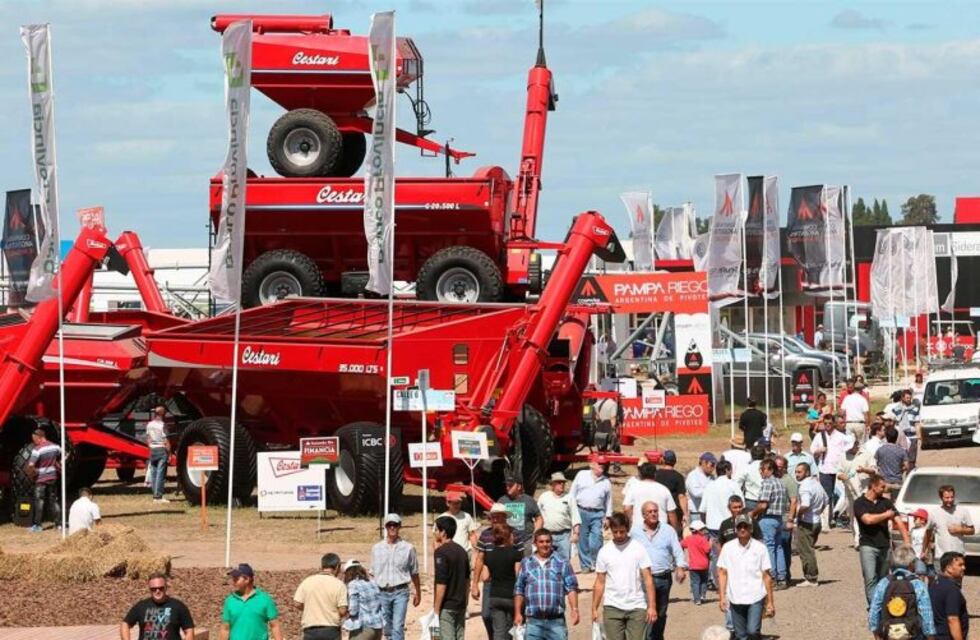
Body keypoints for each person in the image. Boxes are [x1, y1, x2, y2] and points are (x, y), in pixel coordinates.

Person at [593, 512, 656, 640]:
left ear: (627, 529)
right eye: (615, 532)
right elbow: (600, 582)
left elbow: (648, 579)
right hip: (612, 607)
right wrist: (594, 608)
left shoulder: (638, 548)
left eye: (622, 531)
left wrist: (652, 606)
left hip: (637, 607)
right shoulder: (605, 552)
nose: (619, 535)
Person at [630, 501, 687, 640]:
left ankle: (657, 637)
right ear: (643, 515)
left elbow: (677, 550)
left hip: (663, 578)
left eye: (655, 511)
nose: (653, 513)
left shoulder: (668, 530)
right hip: (643, 578)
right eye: (649, 512)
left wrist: (680, 567)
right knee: (644, 611)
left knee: (660, 613)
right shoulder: (635, 531)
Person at [514, 528, 580, 640]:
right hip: (533, 622)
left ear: (551, 542)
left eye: (548, 541)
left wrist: (574, 609)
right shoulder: (526, 563)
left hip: (556, 622)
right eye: (541, 542)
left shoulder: (562, 562)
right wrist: (517, 613)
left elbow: (571, 588)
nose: (545, 544)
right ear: (535, 543)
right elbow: (519, 589)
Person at [717, 514, 775, 640]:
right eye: (739, 527)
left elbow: (766, 576)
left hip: (756, 596)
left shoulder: (760, 548)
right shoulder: (728, 548)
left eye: (746, 526)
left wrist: (770, 601)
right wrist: (722, 597)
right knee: (741, 635)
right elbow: (722, 573)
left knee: (753, 631)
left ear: (751, 529)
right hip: (735, 598)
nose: (742, 529)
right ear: (735, 529)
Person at [854, 475, 911, 604]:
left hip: (885, 545)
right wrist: (886, 515)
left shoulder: (886, 502)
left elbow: (898, 521)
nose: (885, 489)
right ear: (873, 486)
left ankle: (883, 606)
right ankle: (874, 607)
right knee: (870, 578)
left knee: (884, 579)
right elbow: (867, 520)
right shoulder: (859, 503)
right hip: (867, 545)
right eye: (882, 486)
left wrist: (907, 541)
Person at [474, 503, 526, 636]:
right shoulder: (485, 534)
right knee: (486, 615)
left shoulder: (515, 534)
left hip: (510, 582)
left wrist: (520, 585)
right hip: (490, 582)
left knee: (510, 619)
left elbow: (520, 560)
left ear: (505, 517)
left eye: (498, 517)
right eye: (493, 517)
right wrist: (474, 584)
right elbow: (480, 559)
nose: (495, 520)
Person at [867, 545, 935, 640]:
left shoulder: (884, 583)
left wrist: (876, 635)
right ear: (911, 564)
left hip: (889, 633)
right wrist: (930, 636)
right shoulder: (918, 584)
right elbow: (926, 613)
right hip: (913, 634)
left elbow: (874, 611)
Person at [370, 514, 421, 640]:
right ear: (385, 527)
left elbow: (414, 572)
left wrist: (418, 592)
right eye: (389, 525)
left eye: (395, 525)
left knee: (398, 627)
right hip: (382, 592)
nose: (392, 528)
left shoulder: (408, 548)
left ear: (399, 527)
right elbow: (372, 573)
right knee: (387, 629)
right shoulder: (376, 548)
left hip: (400, 592)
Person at [699, 460, 741, 588]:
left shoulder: (710, 486)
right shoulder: (733, 485)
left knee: (716, 555)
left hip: (713, 525)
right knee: (734, 552)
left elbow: (702, 509)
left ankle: (717, 582)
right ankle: (733, 579)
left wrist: (705, 523)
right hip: (730, 524)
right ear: (728, 470)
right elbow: (741, 504)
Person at [749, 459, 789, 590]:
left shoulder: (768, 483)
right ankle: (782, 577)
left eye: (763, 469)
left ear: (770, 470)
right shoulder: (780, 483)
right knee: (778, 548)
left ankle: (771, 577)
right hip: (778, 519)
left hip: (767, 518)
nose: (761, 472)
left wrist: (752, 513)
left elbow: (763, 504)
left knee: (769, 548)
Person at [570, 455, 613, 572]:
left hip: (597, 513)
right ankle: (585, 565)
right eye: (600, 464)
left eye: (603, 465)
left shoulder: (606, 482)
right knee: (582, 540)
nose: (602, 467)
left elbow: (609, 501)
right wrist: (572, 511)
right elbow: (572, 494)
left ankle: (595, 561)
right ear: (592, 465)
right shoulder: (581, 475)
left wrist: (608, 517)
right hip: (581, 511)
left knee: (596, 540)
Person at [121, 572, 195, 640]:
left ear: (166, 587)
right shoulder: (141, 606)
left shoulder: (178, 606)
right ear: (149, 589)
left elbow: (189, 631)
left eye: (161, 588)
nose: (157, 591)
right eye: (153, 589)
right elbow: (125, 624)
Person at [293, 553, 348, 640]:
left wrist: (310, 608)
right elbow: (342, 610)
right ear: (337, 567)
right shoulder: (339, 585)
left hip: (310, 630)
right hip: (331, 630)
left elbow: (297, 603)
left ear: (322, 566)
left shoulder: (308, 581)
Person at [220, 563, 283, 640]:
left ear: (247, 579)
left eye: (236, 579)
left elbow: (275, 625)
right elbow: (225, 628)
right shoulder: (230, 601)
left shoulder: (265, 599)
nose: (233, 582)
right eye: (233, 579)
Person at [433, 515, 470, 640]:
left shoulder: (441, 552)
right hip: (460, 605)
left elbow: (441, 584)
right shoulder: (462, 551)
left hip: (447, 606)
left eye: (437, 529)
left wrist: (436, 610)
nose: (435, 532)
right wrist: (465, 603)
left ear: (443, 532)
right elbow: (467, 581)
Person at [837, 434, 877, 548]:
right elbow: (839, 472)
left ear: (856, 443)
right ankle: (857, 539)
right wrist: (841, 476)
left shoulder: (867, 455)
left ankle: (864, 539)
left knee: (865, 515)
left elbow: (874, 470)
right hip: (849, 492)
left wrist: (864, 469)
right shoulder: (842, 456)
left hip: (864, 491)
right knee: (853, 516)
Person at [810, 414, 848, 528]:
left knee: (844, 495)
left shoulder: (841, 437)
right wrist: (819, 450)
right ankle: (826, 520)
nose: (827, 425)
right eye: (825, 423)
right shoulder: (819, 436)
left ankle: (836, 515)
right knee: (826, 495)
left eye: (829, 423)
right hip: (825, 469)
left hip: (839, 469)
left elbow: (848, 449)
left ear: (834, 424)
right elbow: (813, 450)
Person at [924, 485, 975, 570]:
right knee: (942, 581)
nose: (950, 500)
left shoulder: (962, 511)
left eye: (952, 497)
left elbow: (972, 530)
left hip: (958, 555)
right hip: (941, 556)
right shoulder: (934, 513)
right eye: (947, 498)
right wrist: (925, 549)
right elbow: (928, 532)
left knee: (956, 582)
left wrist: (960, 529)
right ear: (941, 497)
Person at [794, 462, 828, 587]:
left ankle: (811, 578)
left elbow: (806, 504)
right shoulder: (816, 484)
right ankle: (811, 577)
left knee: (806, 551)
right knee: (809, 549)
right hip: (816, 521)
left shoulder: (805, 486)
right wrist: (818, 511)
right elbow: (826, 500)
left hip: (807, 522)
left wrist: (797, 513)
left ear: (807, 472)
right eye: (796, 472)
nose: (797, 474)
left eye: (799, 472)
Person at [26, 428, 62, 532]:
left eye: (34, 439)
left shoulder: (37, 450)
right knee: (54, 500)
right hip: (53, 477)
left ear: (39, 437)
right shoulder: (55, 447)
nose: (34, 441)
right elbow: (62, 457)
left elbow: (31, 465)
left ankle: (38, 525)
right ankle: (58, 524)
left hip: (40, 479)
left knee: (39, 502)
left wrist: (33, 473)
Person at [537, 472, 578, 563]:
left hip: (564, 535)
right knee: (547, 560)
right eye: (559, 482)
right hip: (547, 536)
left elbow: (575, 516)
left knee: (564, 562)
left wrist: (576, 533)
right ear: (553, 484)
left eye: (563, 482)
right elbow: (537, 515)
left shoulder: (569, 498)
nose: (562, 484)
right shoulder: (544, 497)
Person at [623, 462, 677, 529]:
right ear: (655, 474)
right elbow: (671, 513)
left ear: (641, 474)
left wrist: (630, 524)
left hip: (638, 528)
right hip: (660, 529)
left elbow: (627, 509)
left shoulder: (633, 488)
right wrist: (675, 531)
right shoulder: (664, 489)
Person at [929, 552, 969, 640]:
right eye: (960, 565)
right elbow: (952, 619)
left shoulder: (935, 583)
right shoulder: (951, 589)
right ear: (949, 568)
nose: (964, 568)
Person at [342, 560, 384, 640]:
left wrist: (345, 615)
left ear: (349, 573)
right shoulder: (373, 582)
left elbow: (354, 610)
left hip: (363, 628)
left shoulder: (353, 584)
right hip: (378, 627)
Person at [772, 456, 797, 587]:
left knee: (784, 547)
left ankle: (785, 575)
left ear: (785, 467)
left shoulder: (789, 481)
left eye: (780, 466)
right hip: (775, 517)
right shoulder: (774, 479)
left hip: (785, 518)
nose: (777, 469)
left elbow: (794, 501)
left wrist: (790, 519)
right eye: (775, 466)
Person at [500, 475, 544, 549]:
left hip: (527, 542)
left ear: (519, 486)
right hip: (508, 542)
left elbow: (539, 519)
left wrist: (535, 534)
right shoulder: (502, 501)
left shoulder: (529, 500)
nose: (507, 487)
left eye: (511, 485)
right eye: (507, 485)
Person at [653, 450, 688, 534]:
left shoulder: (655, 474)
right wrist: (686, 514)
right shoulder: (678, 477)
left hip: (657, 510)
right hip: (675, 513)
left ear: (663, 460)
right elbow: (681, 497)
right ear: (675, 462)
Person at [888, 389, 922, 468]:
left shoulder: (915, 409)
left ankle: (911, 472)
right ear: (902, 398)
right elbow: (893, 422)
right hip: (901, 436)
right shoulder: (896, 409)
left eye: (910, 398)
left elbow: (917, 423)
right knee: (901, 457)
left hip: (912, 437)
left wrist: (919, 436)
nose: (909, 400)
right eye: (907, 398)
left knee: (912, 458)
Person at [681, 521, 712, 605]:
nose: (704, 531)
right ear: (698, 530)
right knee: (704, 581)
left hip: (693, 566)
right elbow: (707, 550)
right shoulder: (704, 539)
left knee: (695, 582)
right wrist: (710, 544)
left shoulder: (689, 539)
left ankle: (697, 599)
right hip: (704, 565)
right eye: (702, 529)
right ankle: (702, 595)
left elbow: (682, 544)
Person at [146, 406, 170, 503]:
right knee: (161, 474)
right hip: (161, 449)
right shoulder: (163, 425)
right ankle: (159, 496)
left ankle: (155, 495)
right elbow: (166, 441)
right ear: (163, 414)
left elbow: (148, 438)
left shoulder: (149, 424)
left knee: (154, 473)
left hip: (153, 449)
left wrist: (150, 447)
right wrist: (169, 453)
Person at [685, 452, 716, 524]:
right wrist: (712, 491)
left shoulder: (712, 477)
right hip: (696, 513)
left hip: (708, 513)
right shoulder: (693, 476)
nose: (713, 467)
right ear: (703, 463)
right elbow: (696, 492)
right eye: (712, 465)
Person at [875, 428, 908, 494]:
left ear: (886, 437)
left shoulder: (880, 450)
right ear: (897, 437)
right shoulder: (901, 450)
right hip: (897, 481)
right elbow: (907, 466)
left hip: (884, 481)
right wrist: (899, 469)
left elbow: (876, 464)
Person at [734, 446, 765, 511]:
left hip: (750, 501)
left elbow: (736, 485)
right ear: (764, 455)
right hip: (765, 501)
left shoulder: (746, 468)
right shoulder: (769, 468)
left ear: (751, 455)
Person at [908, 509, 933, 577]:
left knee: (924, 574)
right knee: (916, 574)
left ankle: (923, 586)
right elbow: (910, 542)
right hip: (914, 556)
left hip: (922, 556)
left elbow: (929, 542)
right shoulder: (913, 530)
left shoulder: (926, 530)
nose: (914, 520)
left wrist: (925, 552)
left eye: (916, 518)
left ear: (923, 520)